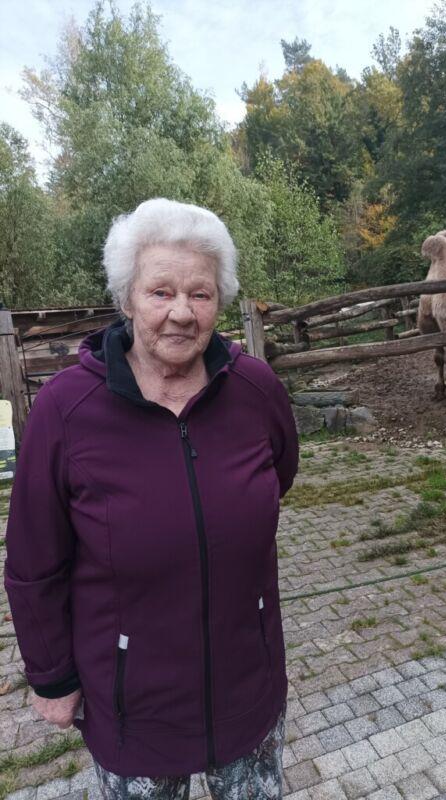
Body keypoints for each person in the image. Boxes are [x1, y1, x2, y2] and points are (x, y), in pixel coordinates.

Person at [4, 198, 299, 800]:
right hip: (131, 706)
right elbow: (34, 560)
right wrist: (52, 677)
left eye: (200, 294)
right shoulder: (67, 409)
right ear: (127, 299)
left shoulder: (256, 390)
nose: (181, 313)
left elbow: (280, 476)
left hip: (248, 687)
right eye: (161, 292)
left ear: (219, 302)